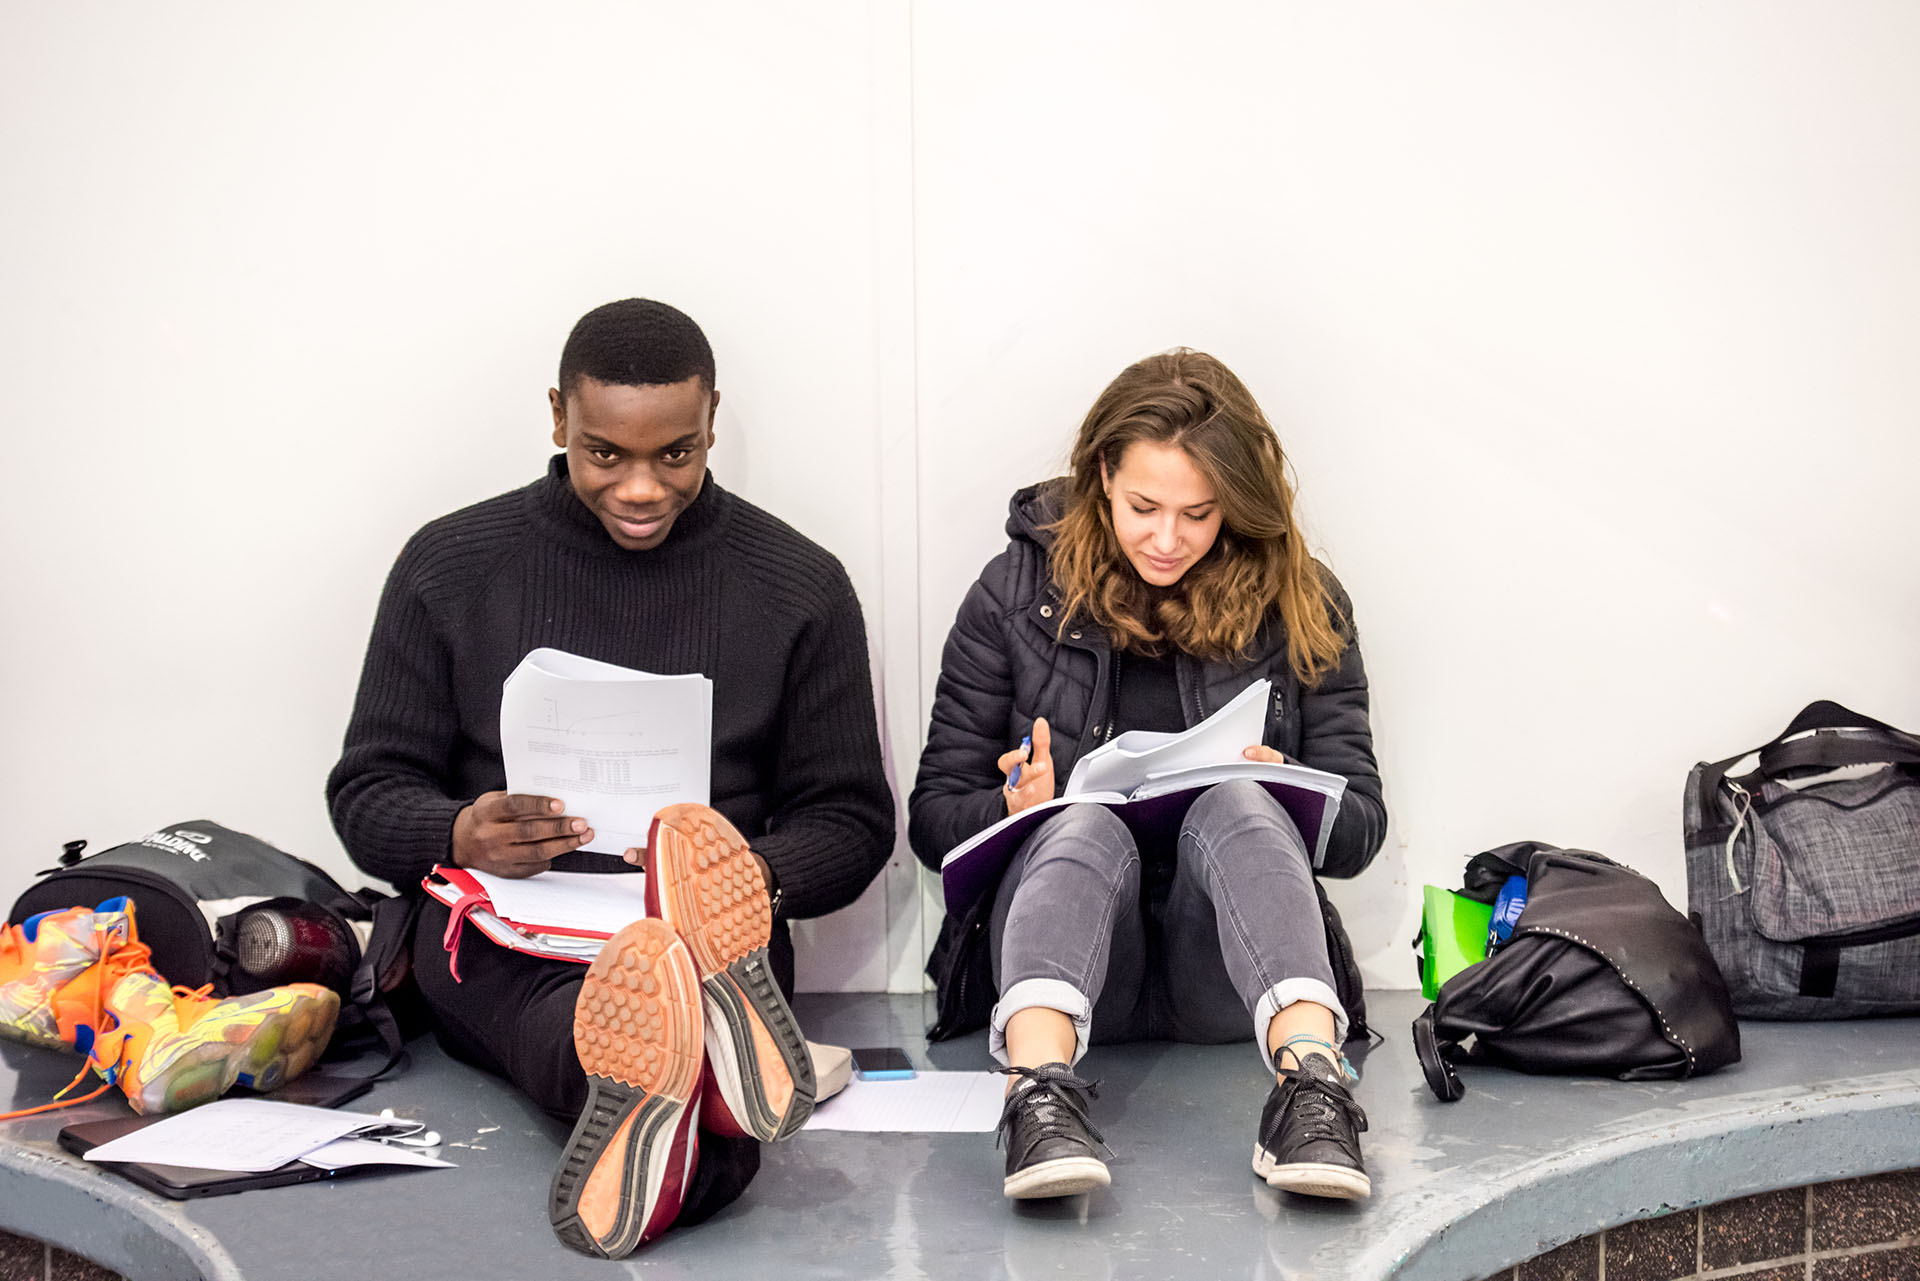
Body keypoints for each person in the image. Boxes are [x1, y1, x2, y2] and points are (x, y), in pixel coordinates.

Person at [327, 299, 894, 1257]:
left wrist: (745, 874)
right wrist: (461, 830)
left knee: (685, 968)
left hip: (718, 938)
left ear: (714, 419)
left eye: (676, 454)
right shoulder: (450, 565)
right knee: (566, 1018)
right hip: (503, 922)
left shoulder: (799, 583)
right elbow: (368, 788)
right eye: (605, 455)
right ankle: (695, 1084)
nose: (641, 487)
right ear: (557, 418)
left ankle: (680, 1056)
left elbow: (852, 817)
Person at [909, 348, 1387, 1203]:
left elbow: (1360, 830)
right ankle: (1037, 1096)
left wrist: (1295, 787)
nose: (1167, 539)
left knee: (1239, 800)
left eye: (1199, 514)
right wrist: (1017, 804)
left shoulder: (1301, 599)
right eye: (1143, 507)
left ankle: (1315, 1090)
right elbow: (932, 819)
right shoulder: (1016, 592)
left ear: (1236, 505)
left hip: (1234, 974)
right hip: (1066, 960)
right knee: (1082, 820)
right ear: (1101, 475)